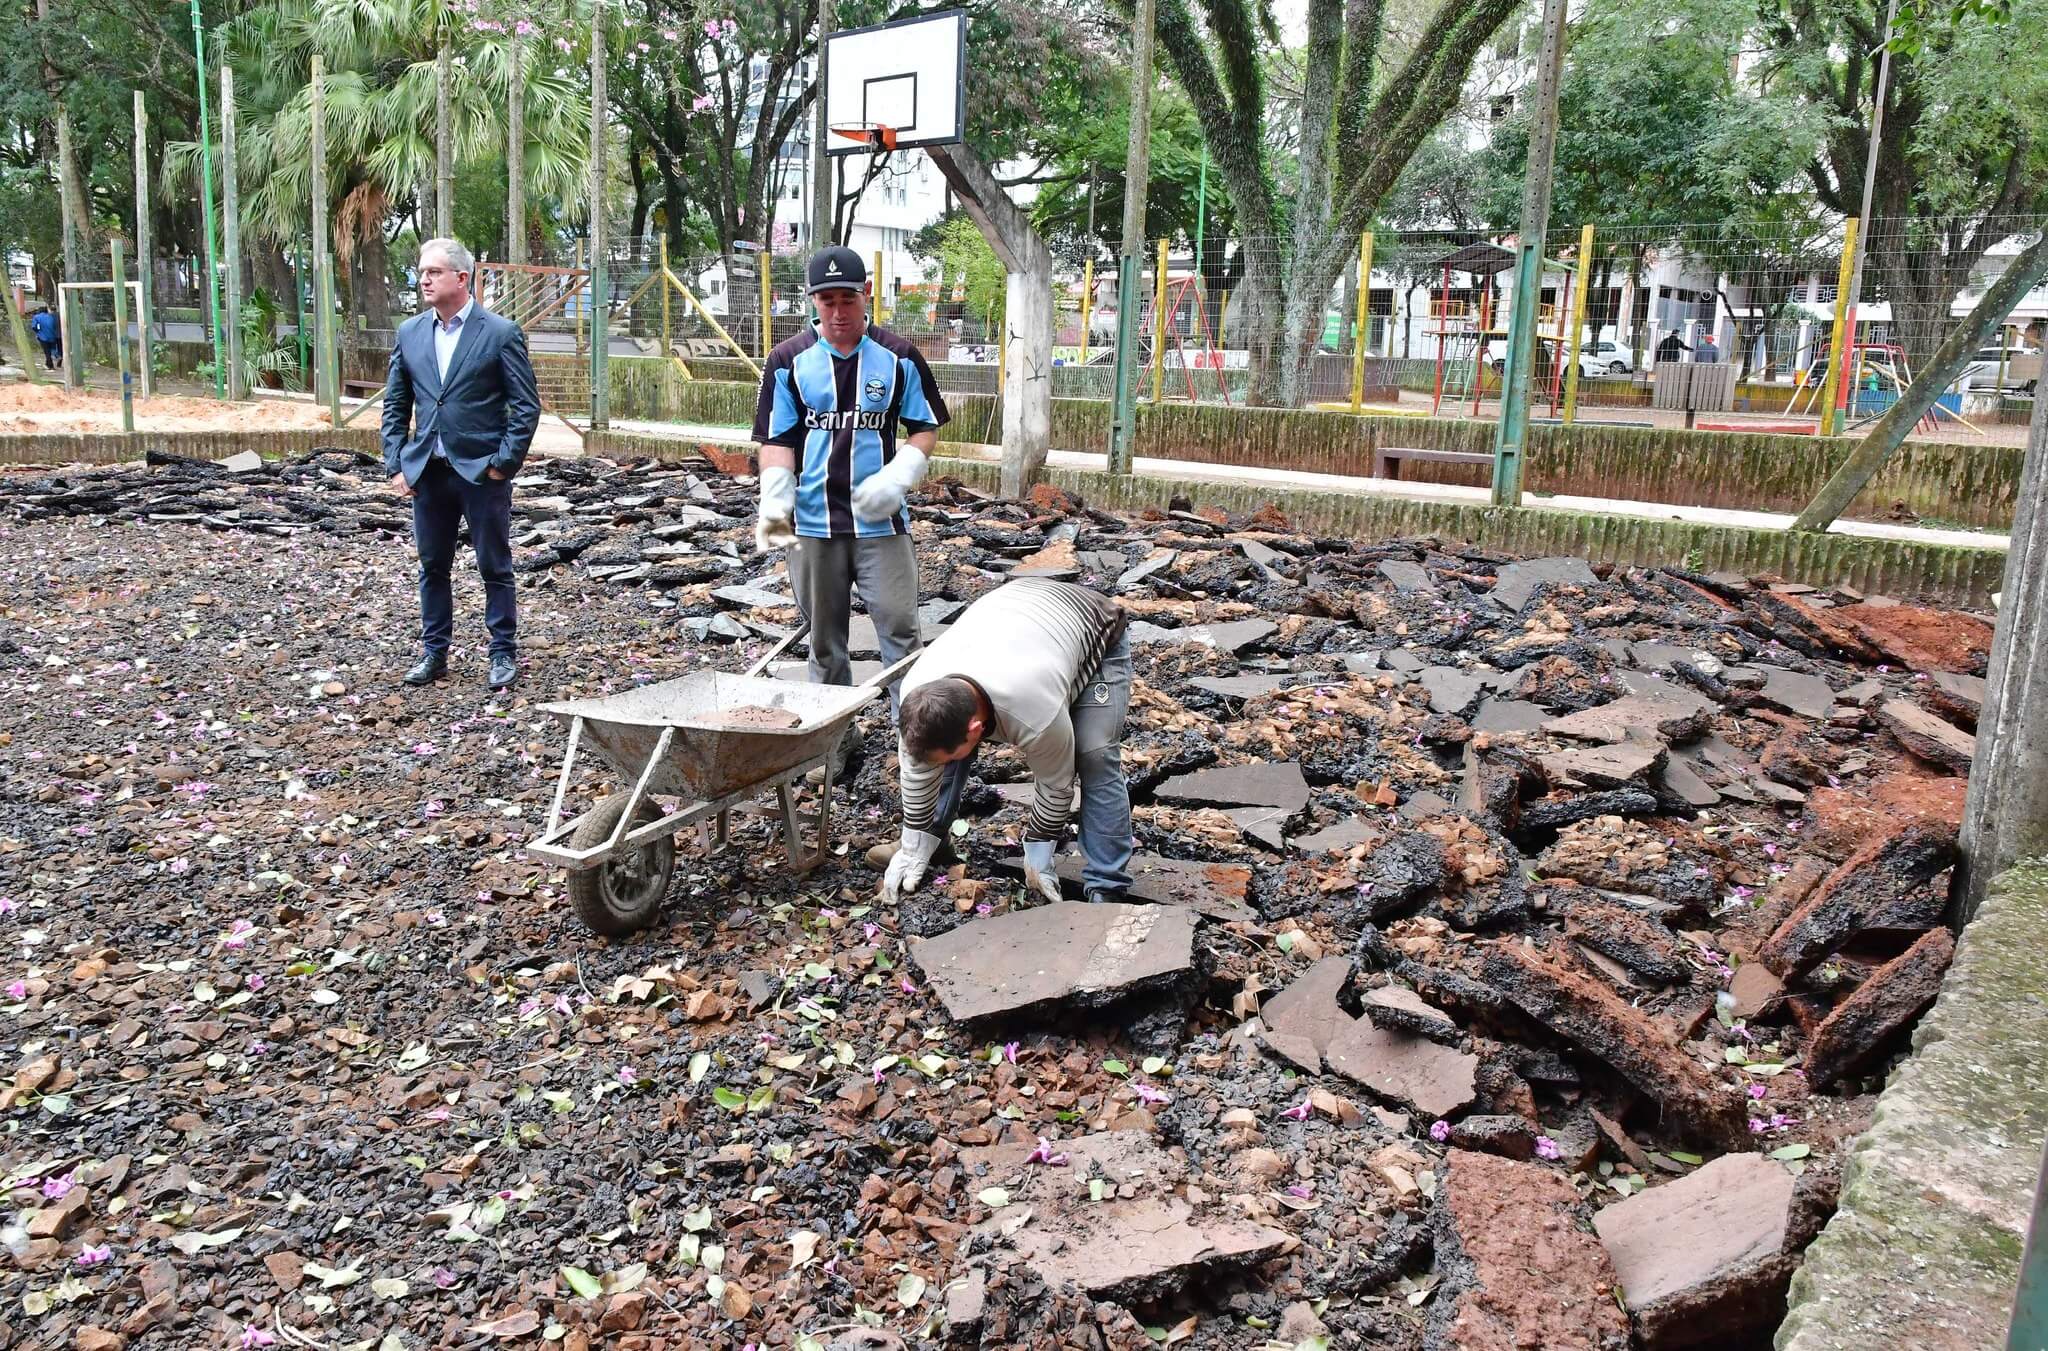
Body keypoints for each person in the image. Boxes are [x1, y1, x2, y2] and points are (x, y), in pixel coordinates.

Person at [753, 245, 949, 777]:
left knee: (902, 636)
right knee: (825, 641)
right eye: (827, 300)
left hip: (881, 525)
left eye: (848, 298)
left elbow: (925, 426)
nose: (839, 312)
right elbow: (776, 437)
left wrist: (901, 474)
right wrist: (775, 496)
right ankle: (836, 740)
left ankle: (916, 748)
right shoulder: (788, 360)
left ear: (866, 295)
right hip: (814, 525)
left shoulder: (898, 356)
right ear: (813, 302)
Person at [876, 579, 1134, 907]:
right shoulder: (920, 693)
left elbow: (1056, 785)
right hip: (1013, 617)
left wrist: (1039, 851)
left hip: (1092, 624)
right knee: (944, 750)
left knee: (1093, 753)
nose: (934, 765)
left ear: (976, 728)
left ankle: (1106, 887)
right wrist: (913, 843)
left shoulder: (1033, 713)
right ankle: (933, 843)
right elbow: (917, 767)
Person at [381, 237, 541, 690]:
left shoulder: (500, 333)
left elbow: (525, 407)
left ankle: (502, 653)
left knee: (495, 564)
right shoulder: (410, 333)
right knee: (432, 566)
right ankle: (435, 653)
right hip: (427, 472)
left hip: (481, 473)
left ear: (462, 278)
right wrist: (396, 464)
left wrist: (502, 465)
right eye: (421, 271)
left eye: (433, 271)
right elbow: (395, 404)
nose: (424, 279)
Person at [28, 305, 60, 370]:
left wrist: (38, 332)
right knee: (52, 350)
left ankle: (50, 365)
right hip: (52, 336)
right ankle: (54, 359)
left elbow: (34, 327)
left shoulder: (37, 317)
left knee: (47, 351)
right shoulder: (51, 317)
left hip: (43, 337)